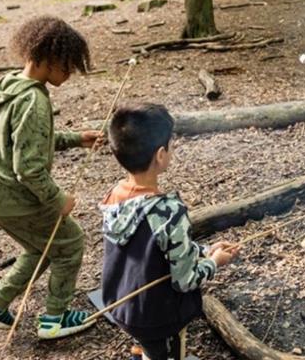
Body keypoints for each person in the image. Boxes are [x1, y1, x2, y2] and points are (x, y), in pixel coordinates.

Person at [0, 16, 101, 339]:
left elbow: (21, 139)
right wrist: (58, 199)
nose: (69, 74)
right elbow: (28, 167)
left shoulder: (9, 85)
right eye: (68, 66)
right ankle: (55, 319)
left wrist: (74, 138)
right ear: (49, 59)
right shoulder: (34, 100)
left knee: (39, 247)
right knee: (69, 243)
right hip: (13, 196)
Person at [101, 104, 239, 360]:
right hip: (157, 317)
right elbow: (185, 280)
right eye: (171, 144)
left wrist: (206, 250)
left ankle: (142, 350)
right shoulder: (167, 210)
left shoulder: (114, 195)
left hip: (123, 304)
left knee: (146, 343)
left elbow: (156, 250)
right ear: (161, 154)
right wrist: (214, 262)